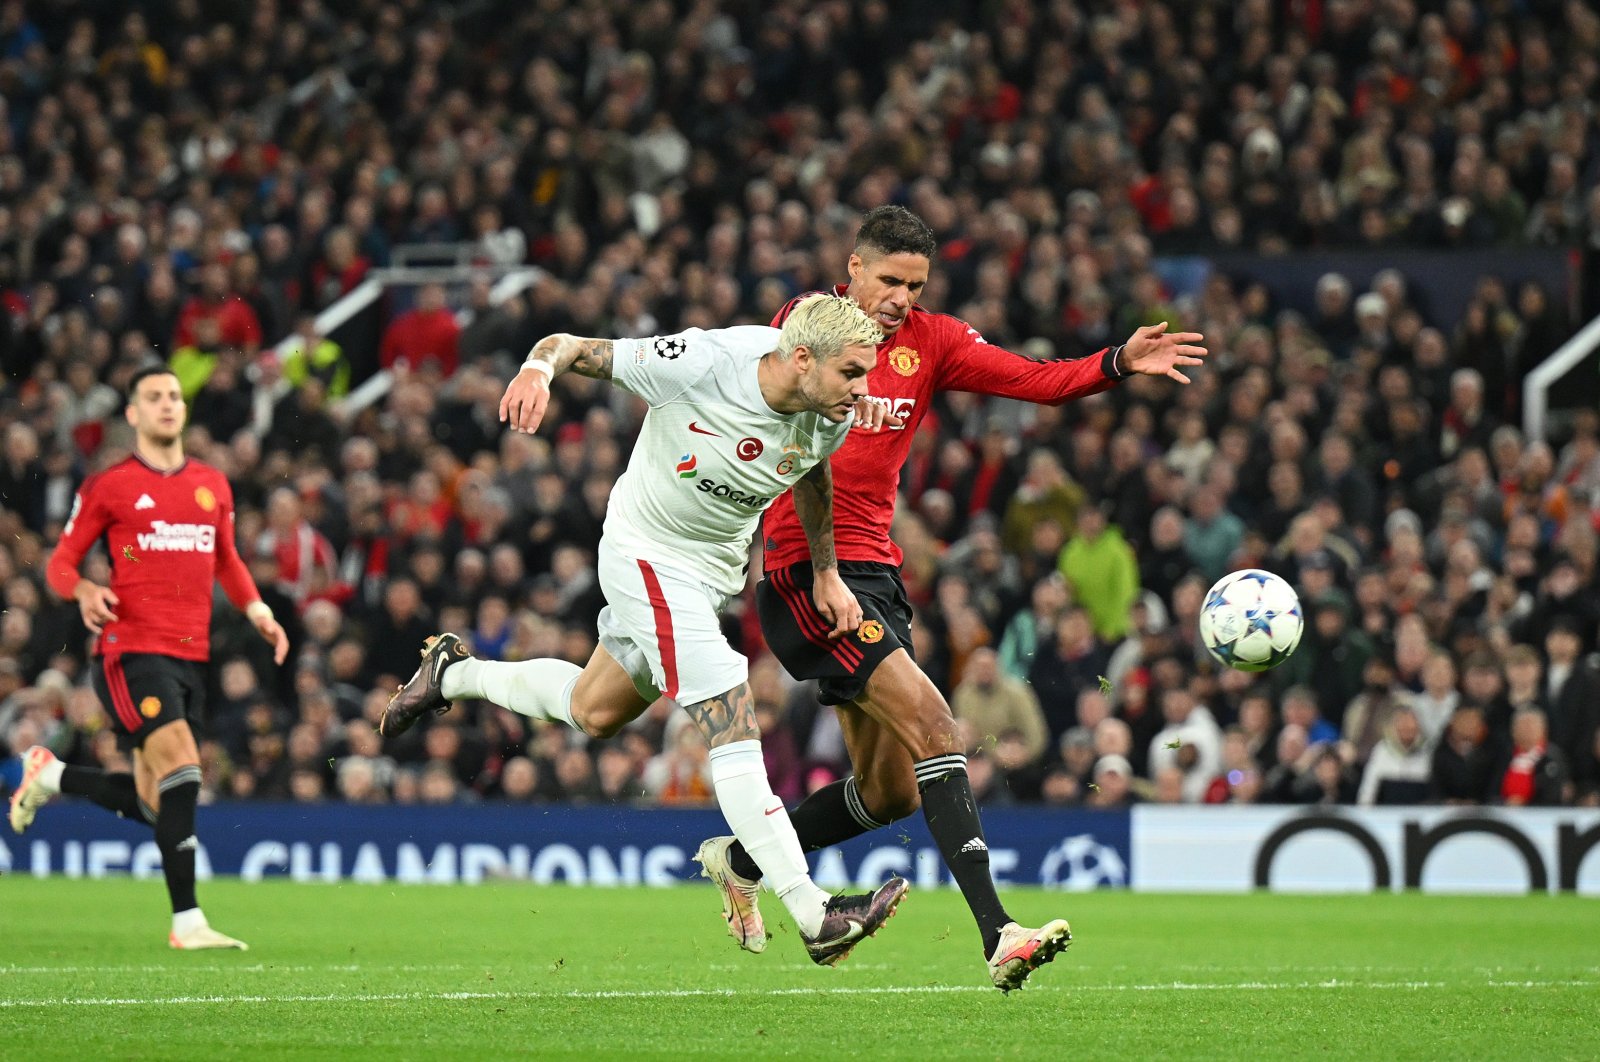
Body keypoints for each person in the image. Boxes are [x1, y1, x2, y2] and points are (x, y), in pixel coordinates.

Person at [696, 205, 1207, 992]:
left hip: (877, 576)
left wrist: (1114, 363)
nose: (902, 296)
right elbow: (793, 453)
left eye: (916, 284)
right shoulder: (804, 327)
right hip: (808, 573)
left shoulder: (932, 342)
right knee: (940, 724)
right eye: (891, 280)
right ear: (855, 268)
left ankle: (742, 858)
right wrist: (824, 570)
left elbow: (1030, 380)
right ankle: (999, 932)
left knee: (892, 790)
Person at [379, 294, 909, 967]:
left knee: (593, 709)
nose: (865, 391)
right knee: (729, 706)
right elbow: (569, 344)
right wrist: (539, 372)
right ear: (800, 358)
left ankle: (452, 672)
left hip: (709, 573)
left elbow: (812, 475)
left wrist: (827, 572)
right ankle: (813, 913)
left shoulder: (827, 410)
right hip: (645, 554)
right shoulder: (704, 362)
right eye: (853, 374)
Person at [9, 366, 289, 950]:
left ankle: (53, 774)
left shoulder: (212, 484)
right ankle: (188, 922)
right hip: (129, 650)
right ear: (132, 413)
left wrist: (259, 611)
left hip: (192, 656)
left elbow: (228, 560)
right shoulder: (109, 486)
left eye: (174, 397)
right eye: (154, 397)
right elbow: (59, 563)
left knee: (150, 800)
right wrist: (84, 589)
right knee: (185, 767)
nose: (167, 405)